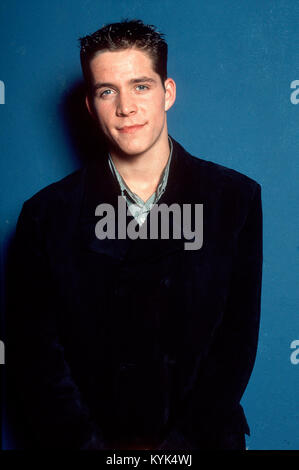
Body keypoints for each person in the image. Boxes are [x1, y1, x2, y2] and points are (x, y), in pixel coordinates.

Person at [6, 19, 263, 450]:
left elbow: (234, 350)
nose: (126, 107)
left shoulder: (234, 199)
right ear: (91, 105)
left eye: (141, 86)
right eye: (107, 91)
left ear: (168, 92)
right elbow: (39, 363)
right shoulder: (46, 215)